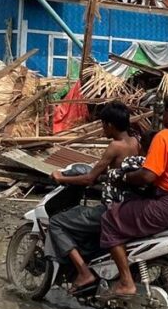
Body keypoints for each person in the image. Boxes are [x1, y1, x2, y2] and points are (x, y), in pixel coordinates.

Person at [101, 93, 168, 296]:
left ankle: (126, 281)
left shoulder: (164, 137)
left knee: (110, 219)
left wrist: (123, 178)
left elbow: (147, 176)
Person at [48, 101, 140, 293]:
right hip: (131, 204)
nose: (101, 128)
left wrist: (61, 177)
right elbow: (120, 171)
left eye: (103, 124)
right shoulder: (136, 143)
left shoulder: (115, 146)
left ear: (110, 125)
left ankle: (83, 272)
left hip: (111, 208)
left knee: (57, 222)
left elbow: (90, 179)